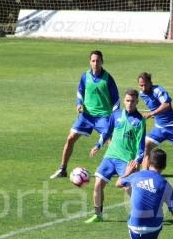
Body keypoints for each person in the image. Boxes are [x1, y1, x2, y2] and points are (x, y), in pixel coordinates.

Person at [50, 50, 120, 179]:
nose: (95, 63)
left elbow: (116, 99)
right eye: (93, 61)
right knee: (70, 138)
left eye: (98, 61)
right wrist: (79, 103)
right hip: (86, 116)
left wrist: (115, 115)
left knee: (111, 142)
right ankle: (63, 169)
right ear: (90, 62)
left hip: (103, 116)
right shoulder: (85, 76)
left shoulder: (108, 78)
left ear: (102, 62)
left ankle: (117, 168)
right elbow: (80, 92)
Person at [85, 88, 146, 223]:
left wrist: (137, 161)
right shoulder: (116, 115)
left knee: (128, 187)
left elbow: (141, 146)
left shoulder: (140, 121)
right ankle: (97, 215)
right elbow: (107, 132)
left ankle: (137, 214)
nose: (130, 103)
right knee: (98, 184)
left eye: (133, 101)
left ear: (137, 102)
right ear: (124, 101)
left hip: (126, 160)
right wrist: (98, 145)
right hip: (110, 156)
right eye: (127, 100)